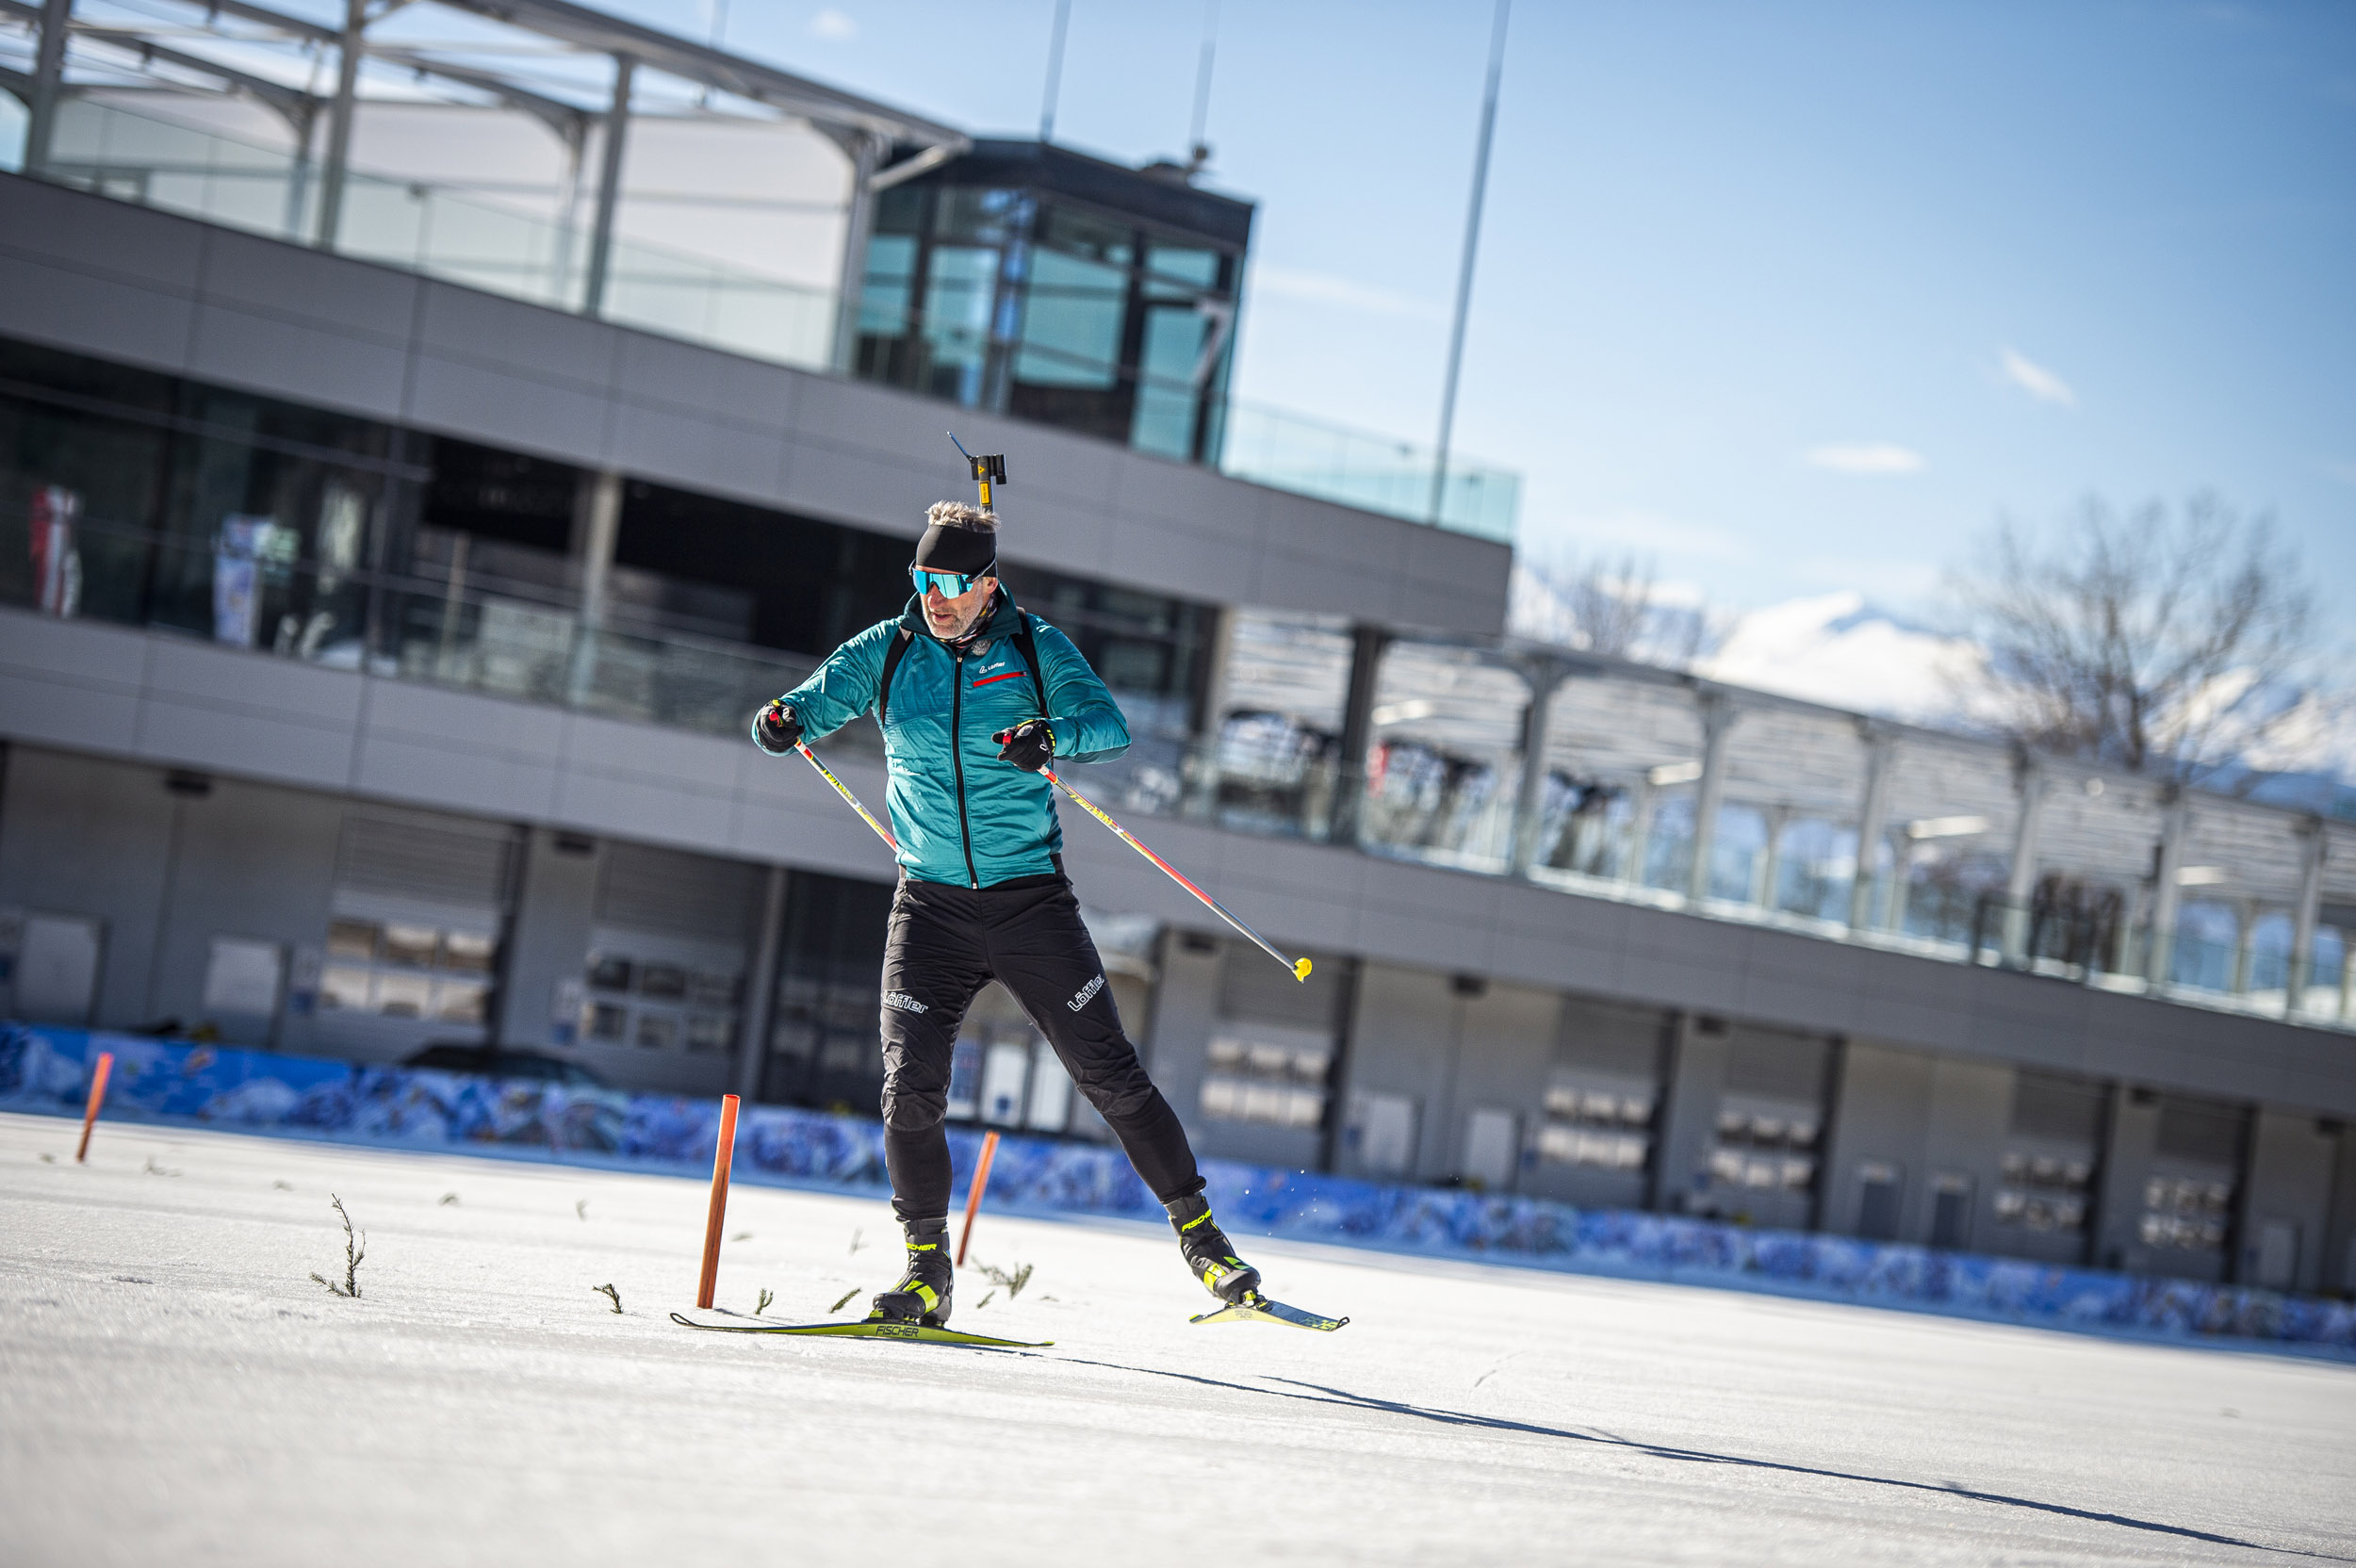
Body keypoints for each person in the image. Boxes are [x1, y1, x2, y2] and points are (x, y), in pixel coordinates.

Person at [750, 499, 1262, 1327]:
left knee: (1108, 1074)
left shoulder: (1035, 646)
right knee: (909, 1087)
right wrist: (778, 722)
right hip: (930, 908)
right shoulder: (888, 650)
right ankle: (926, 1272)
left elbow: (1109, 726)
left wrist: (1050, 735)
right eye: (922, 578)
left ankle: (1205, 1241)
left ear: (987, 585)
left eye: (950, 581)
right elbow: (803, 705)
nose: (934, 596)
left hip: (1030, 904)